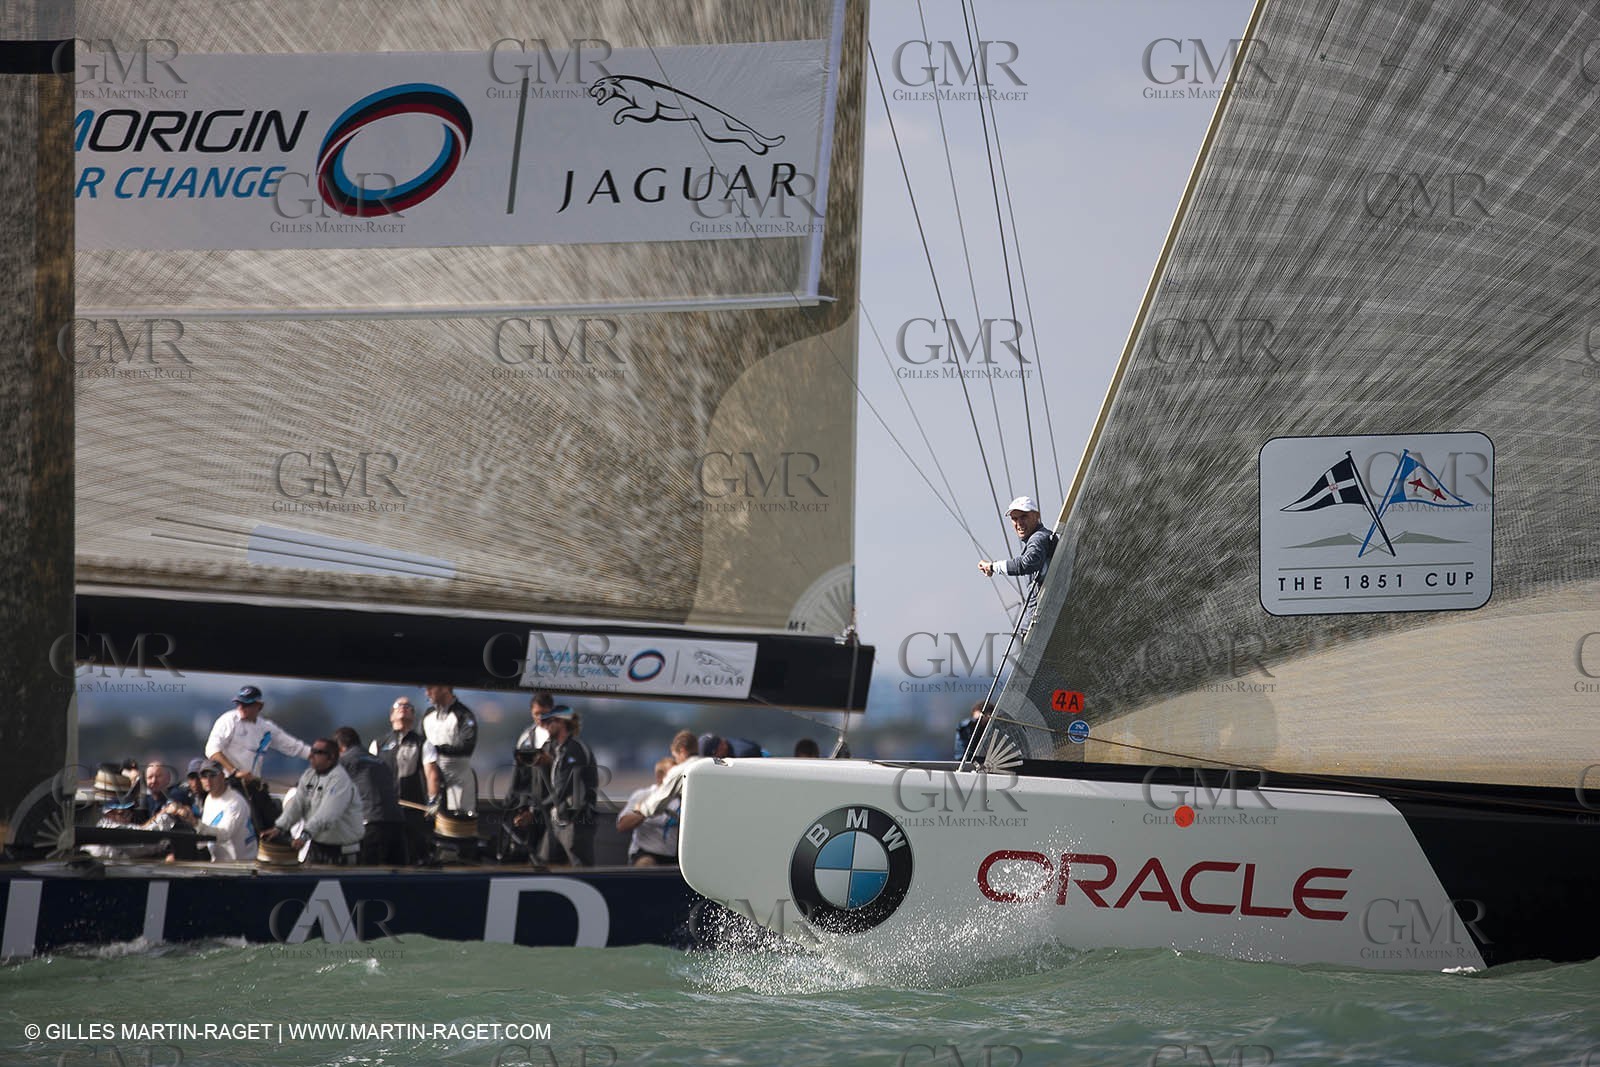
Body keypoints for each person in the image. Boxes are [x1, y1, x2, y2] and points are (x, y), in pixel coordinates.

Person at [205, 684, 312, 832]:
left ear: (259, 706)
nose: (242, 707)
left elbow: (293, 747)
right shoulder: (228, 721)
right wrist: (235, 771)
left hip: (254, 785)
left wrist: (317, 755)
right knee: (251, 826)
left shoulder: (266, 728)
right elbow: (212, 750)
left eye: (247, 704)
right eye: (239, 703)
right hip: (231, 783)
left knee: (274, 825)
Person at [263, 738, 365, 866]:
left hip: (342, 852)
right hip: (317, 847)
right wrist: (279, 827)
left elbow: (327, 814)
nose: (311, 756)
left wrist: (304, 836)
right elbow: (297, 805)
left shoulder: (340, 781)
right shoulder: (309, 776)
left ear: (331, 757)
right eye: (312, 751)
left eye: (318, 752)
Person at [369, 695, 439, 863]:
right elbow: (370, 775)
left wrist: (433, 800)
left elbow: (432, 774)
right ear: (391, 716)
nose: (403, 707)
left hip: (413, 810)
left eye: (408, 706)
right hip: (385, 811)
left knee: (414, 853)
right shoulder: (378, 743)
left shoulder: (424, 743)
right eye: (398, 705)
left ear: (413, 716)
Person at [978, 496, 1058, 626]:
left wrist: (993, 567)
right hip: (1040, 621)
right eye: (1014, 519)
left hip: (1046, 622)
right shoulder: (1038, 538)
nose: (1019, 523)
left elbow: (1027, 563)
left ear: (1037, 516)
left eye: (1023, 517)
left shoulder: (1039, 538)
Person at [535, 705, 597, 867]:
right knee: (546, 863)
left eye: (549, 722)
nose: (546, 727)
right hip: (558, 818)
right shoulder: (558, 750)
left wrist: (536, 809)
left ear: (561, 723)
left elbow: (563, 788)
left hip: (576, 820)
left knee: (581, 866)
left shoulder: (574, 750)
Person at [334, 726, 406, 865]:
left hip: (372, 826)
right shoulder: (380, 762)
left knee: (370, 875)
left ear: (341, 747)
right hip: (397, 824)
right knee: (397, 878)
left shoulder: (345, 760)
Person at [168, 760, 256, 862]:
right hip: (218, 863)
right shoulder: (209, 798)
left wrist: (194, 822)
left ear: (222, 776)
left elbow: (224, 835)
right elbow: (205, 835)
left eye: (212, 775)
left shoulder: (235, 803)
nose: (208, 780)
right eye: (204, 776)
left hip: (240, 866)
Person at [421, 684, 477, 814]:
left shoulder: (463, 715)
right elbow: (421, 744)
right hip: (431, 783)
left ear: (445, 688)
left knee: (456, 827)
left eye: (430, 688)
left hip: (459, 783)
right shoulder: (428, 715)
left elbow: (467, 746)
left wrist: (437, 749)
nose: (427, 693)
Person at [616, 757, 678, 865]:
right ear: (660, 777)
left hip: (674, 855)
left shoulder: (683, 799)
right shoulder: (642, 796)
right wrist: (645, 811)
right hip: (645, 853)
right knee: (646, 863)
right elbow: (622, 825)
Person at [632, 730, 703, 822]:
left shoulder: (680, 771)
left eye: (675, 757)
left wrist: (641, 808)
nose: (676, 762)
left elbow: (656, 805)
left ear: (682, 750)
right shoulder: (712, 766)